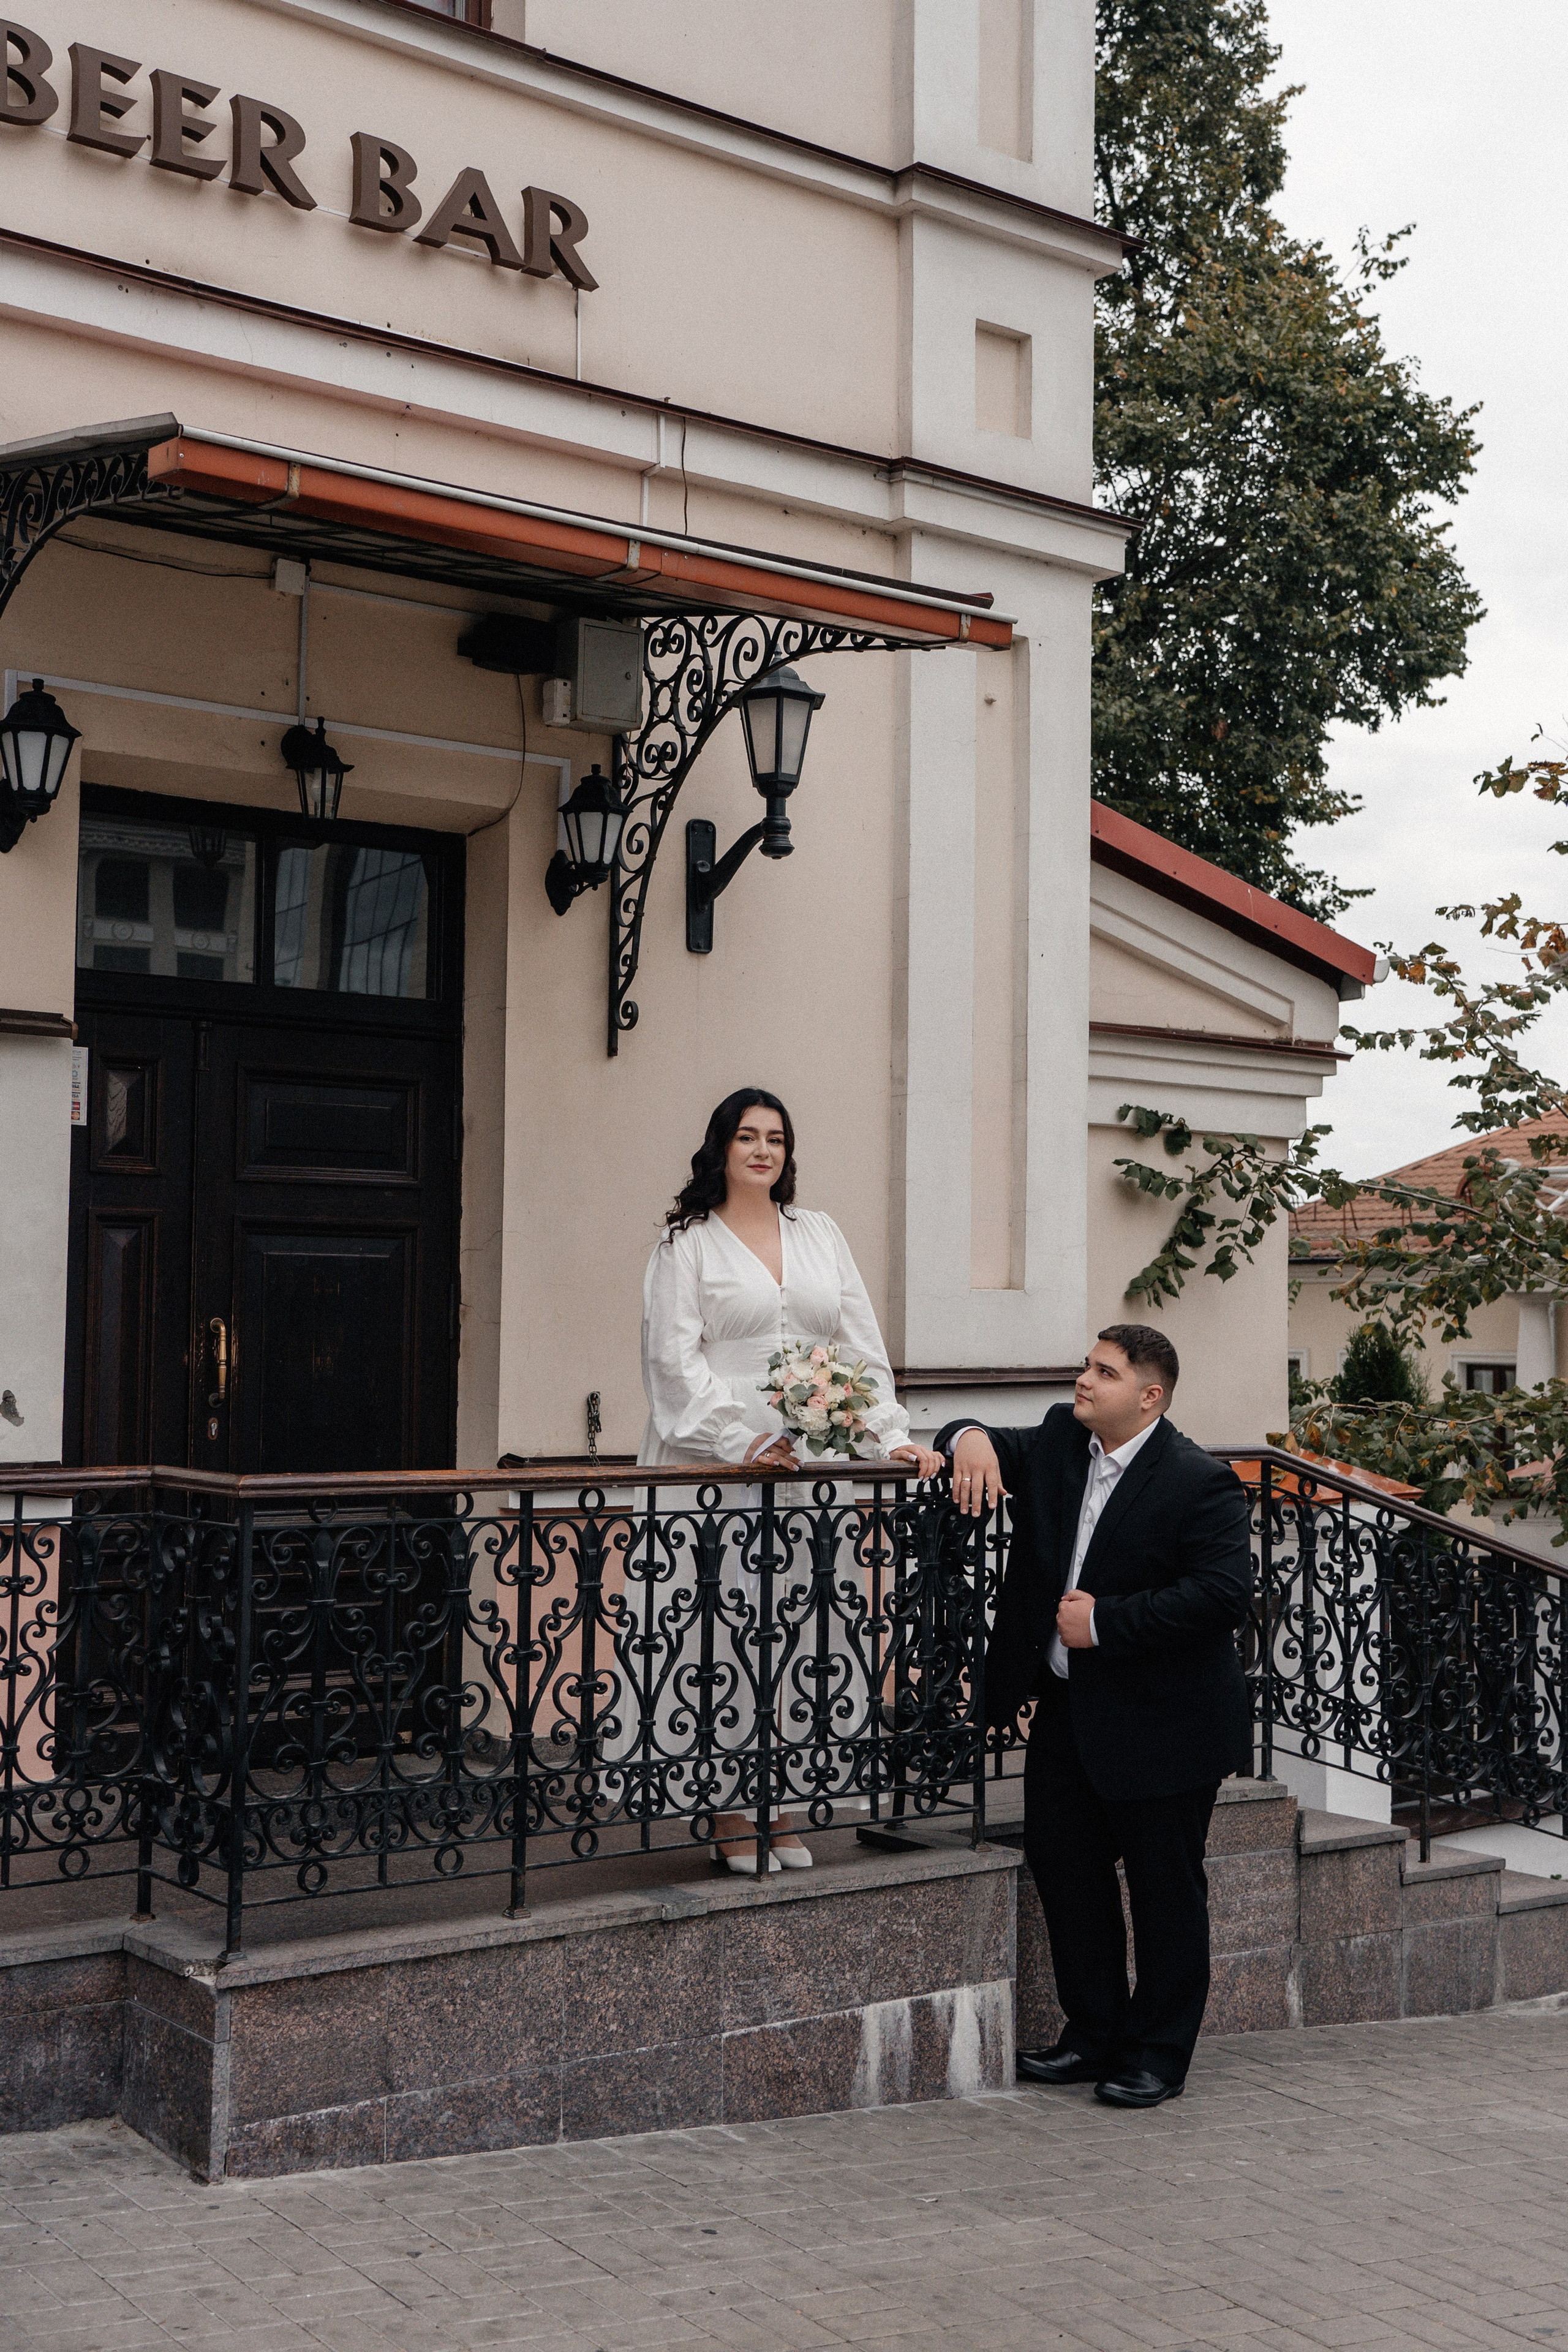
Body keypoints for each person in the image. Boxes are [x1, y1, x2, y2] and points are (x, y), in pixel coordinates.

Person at [940, 1325, 1251, 2108]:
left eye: (1103, 1372)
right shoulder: (1056, 1439)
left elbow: (1221, 1597)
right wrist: (967, 1437)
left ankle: (1156, 2055)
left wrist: (1106, 1622)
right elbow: (968, 1435)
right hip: (1068, 1714)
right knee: (1068, 1878)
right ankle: (1091, 2036)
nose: (1083, 1380)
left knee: (1164, 1894)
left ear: (1148, 1397)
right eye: (1087, 1364)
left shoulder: (1198, 1481)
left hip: (1166, 1724)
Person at [641, 1087, 941, 1871]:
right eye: (747, 1137)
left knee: (804, 1630)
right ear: (721, 1148)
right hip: (722, 1468)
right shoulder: (688, 1244)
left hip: (813, 1466)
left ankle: (780, 1798)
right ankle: (728, 1810)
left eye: (775, 1138)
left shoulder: (820, 1233)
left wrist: (889, 1435)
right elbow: (673, 1362)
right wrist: (740, 1438)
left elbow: (858, 1343)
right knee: (723, 1631)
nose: (763, 1150)